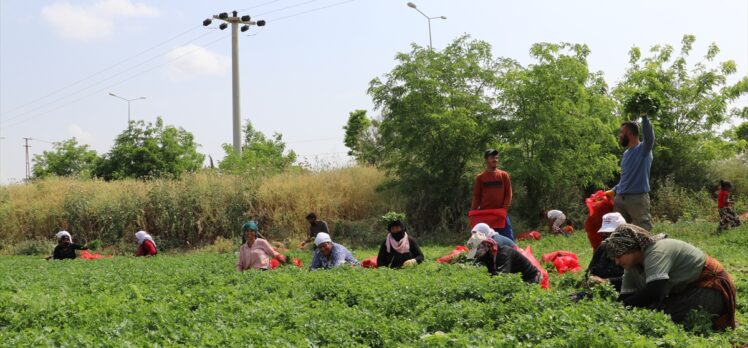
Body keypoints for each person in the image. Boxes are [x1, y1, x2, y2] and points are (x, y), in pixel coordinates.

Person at [607, 224, 736, 330]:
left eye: (619, 256)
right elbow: (626, 297)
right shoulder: (632, 266)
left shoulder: (657, 251)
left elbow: (654, 291)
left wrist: (622, 307)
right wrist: (619, 309)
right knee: (652, 314)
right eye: (614, 258)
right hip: (687, 291)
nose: (617, 262)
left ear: (632, 248)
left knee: (665, 318)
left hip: (710, 288)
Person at [606, 113, 655, 231]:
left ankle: (645, 250)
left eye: (621, 133)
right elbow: (626, 178)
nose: (619, 136)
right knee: (617, 231)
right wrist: (614, 190)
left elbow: (650, 137)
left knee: (642, 231)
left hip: (637, 199)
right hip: (620, 199)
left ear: (629, 133)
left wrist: (644, 117)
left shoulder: (644, 150)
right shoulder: (626, 153)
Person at [471, 149, 514, 240]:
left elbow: (508, 193)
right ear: (486, 160)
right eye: (492, 158)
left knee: (508, 240)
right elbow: (477, 196)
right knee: (484, 241)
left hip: (501, 214)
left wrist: (504, 209)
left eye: (496, 158)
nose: (495, 160)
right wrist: (473, 211)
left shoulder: (504, 175)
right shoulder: (480, 177)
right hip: (485, 215)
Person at [585, 213, 626, 292]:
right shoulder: (603, 246)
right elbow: (589, 271)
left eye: (613, 234)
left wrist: (606, 281)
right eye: (606, 234)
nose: (610, 238)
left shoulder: (631, 251)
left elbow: (632, 278)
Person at [472, 238, 541, 284]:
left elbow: (503, 277)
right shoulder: (489, 257)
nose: (479, 257)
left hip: (530, 278)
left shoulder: (504, 253)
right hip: (517, 279)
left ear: (488, 247)